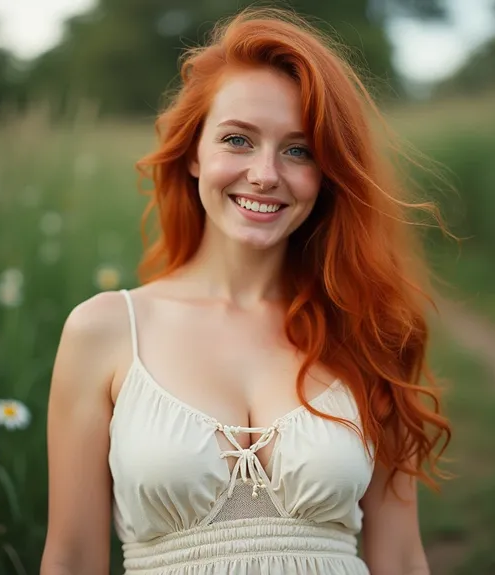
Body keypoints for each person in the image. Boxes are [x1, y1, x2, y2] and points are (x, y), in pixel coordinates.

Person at [40, 7, 451, 575]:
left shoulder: (364, 329)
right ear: (192, 153)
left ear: (327, 172)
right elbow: (71, 558)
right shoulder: (106, 332)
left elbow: (402, 558)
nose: (265, 174)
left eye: (298, 149)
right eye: (237, 139)